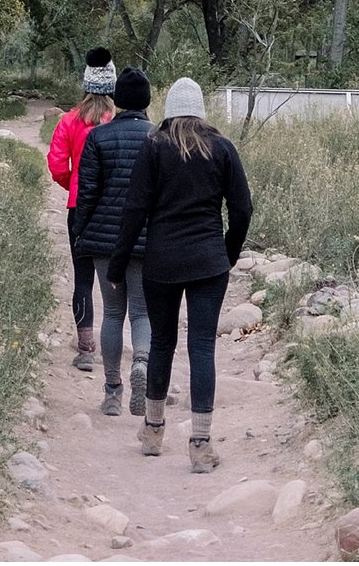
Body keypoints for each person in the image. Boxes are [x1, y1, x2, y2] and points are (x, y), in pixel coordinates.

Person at [108, 76, 253, 472]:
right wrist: (228, 252)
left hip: (162, 261)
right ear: (202, 110)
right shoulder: (222, 148)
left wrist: (119, 264)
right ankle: (201, 445)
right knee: (202, 348)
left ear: (168, 111)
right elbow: (242, 209)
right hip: (209, 262)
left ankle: (153, 432)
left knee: (162, 344)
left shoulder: (153, 148)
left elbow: (134, 210)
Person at [69, 67, 156, 418]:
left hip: (105, 241)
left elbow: (86, 193)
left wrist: (82, 233)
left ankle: (112, 391)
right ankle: (142, 363)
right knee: (141, 311)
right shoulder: (157, 137)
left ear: (117, 100)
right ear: (148, 101)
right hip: (146, 240)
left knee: (113, 312)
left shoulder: (98, 138)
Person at [45, 47, 116, 371]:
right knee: (118, 279)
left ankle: (86, 347)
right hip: (115, 211)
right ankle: (117, 343)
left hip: (80, 209)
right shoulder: (117, 120)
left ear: (86, 84)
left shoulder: (70, 120)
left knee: (83, 279)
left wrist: (73, 186)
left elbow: (57, 164)